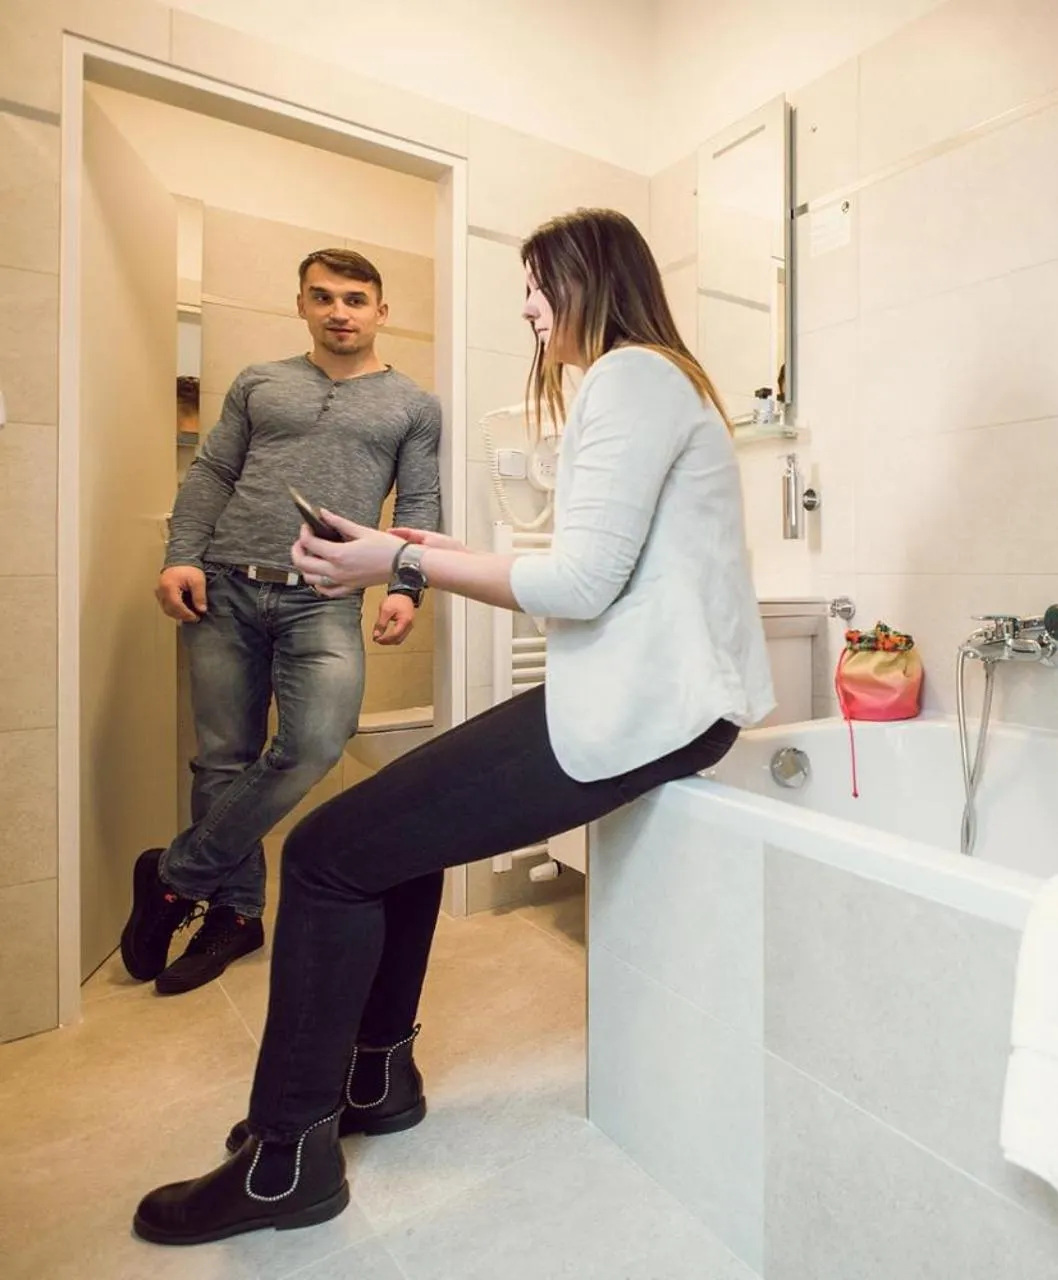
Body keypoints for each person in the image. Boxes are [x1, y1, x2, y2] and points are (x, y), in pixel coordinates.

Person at [130, 208, 776, 1245]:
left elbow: (579, 582)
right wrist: (428, 544)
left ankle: (283, 1162)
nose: (526, 305)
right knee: (389, 835)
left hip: (639, 705)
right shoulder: (660, 378)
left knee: (330, 850)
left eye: (537, 284)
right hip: (650, 697)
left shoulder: (628, 375)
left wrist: (400, 562)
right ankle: (377, 1077)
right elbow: (613, 565)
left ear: (587, 279)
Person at [123, 248, 442, 996]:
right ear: (300, 303)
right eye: (324, 297)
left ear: (381, 312)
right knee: (222, 759)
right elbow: (212, 473)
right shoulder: (261, 382)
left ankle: (174, 876)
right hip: (227, 584)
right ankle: (234, 916)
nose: (340, 312)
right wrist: (183, 556)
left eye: (356, 299)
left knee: (315, 744)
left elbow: (420, 508)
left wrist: (407, 585)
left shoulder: (413, 405)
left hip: (327, 595)